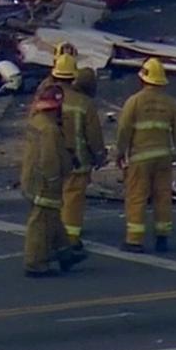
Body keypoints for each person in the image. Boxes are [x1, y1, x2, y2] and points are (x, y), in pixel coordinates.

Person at [115, 57, 176, 253]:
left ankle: (134, 240)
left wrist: (119, 152)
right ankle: (162, 238)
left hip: (140, 159)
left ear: (143, 79)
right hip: (163, 158)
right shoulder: (171, 104)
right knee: (162, 197)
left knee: (137, 198)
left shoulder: (134, 102)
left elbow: (124, 129)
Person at [21, 85, 85, 278]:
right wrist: (54, 179)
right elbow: (49, 158)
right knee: (40, 222)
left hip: (32, 177)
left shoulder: (37, 122)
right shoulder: (49, 129)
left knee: (52, 217)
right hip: (45, 182)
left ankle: (65, 254)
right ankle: (35, 263)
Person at [60, 63, 104, 251]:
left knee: (56, 198)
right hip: (78, 162)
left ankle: (55, 233)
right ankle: (70, 239)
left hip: (52, 159)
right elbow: (94, 136)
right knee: (73, 200)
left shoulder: (51, 97)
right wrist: (99, 156)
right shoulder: (85, 105)